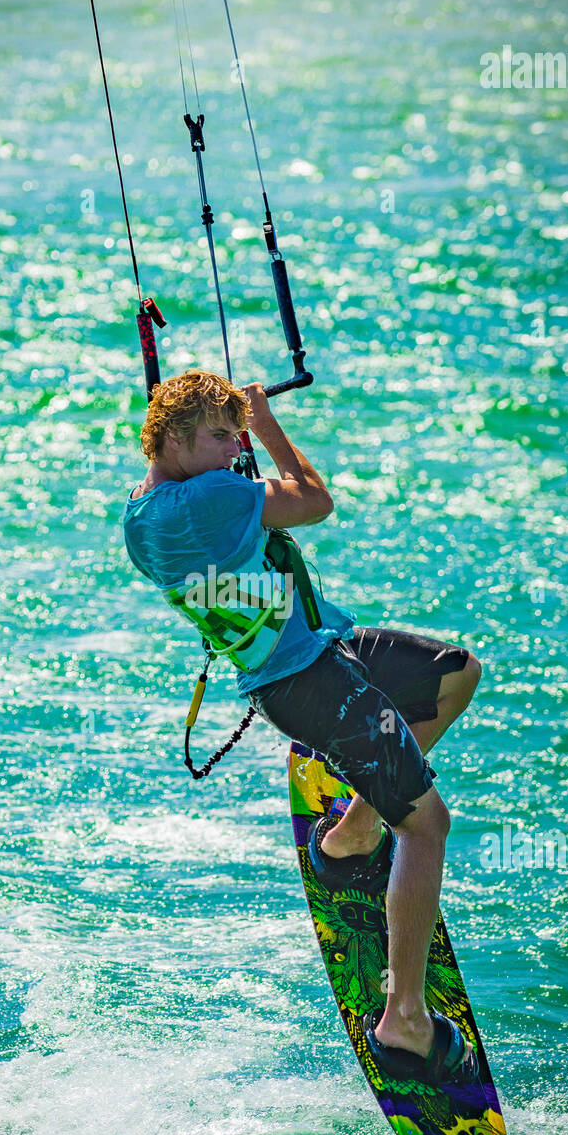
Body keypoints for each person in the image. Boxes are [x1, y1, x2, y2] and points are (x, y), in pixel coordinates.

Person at [123, 370, 483, 1085]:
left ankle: (351, 835)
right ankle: (405, 1022)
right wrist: (265, 426)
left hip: (316, 653)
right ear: (173, 438)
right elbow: (315, 500)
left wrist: (222, 445)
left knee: (455, 673)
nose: (235, 449)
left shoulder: (140, 514)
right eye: (222, 437)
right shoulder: (213, 497)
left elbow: (220, 516)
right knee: (427, 826)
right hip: (311, 686)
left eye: (236, 436)